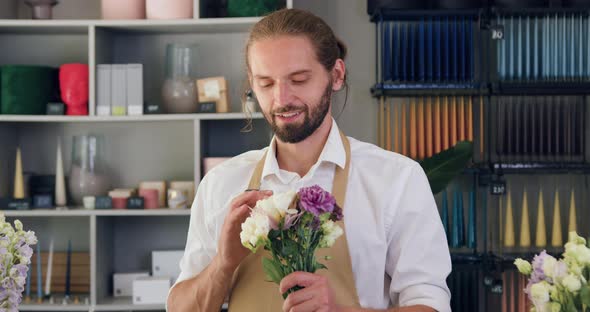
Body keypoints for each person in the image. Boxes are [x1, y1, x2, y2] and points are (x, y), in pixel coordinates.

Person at [167, 8, 451, 312]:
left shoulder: (396, 179)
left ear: (337, 75)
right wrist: (223, 264)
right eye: (265, 83)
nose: (281, 99)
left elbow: (430, 306)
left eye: (299, 79)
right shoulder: (220, 183)